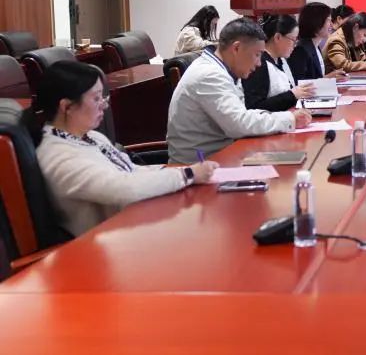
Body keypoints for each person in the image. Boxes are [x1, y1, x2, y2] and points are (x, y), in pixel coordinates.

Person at [22, 61, 218, 236]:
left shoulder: (90, 136)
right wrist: (187, 175)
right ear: (66, 107)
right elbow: (125, 188)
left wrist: (183, 172)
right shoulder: (59, 157)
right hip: (107, 245)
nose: (104, 105)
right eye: (96, 98)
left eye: (103, 97)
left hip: (137, 223)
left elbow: (131, 171)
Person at [167, 17, 313, 163]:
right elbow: (238, 124)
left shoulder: (225, 70)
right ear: (236, 48)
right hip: (199, 166)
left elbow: (243, 114)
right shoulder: (209, 75)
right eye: (257, 55)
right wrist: (289, 118)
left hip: (223, 156)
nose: (259, 63)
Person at [242, 15, 317, 112]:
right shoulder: (260, 65)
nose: (295, 45)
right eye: (293, 40)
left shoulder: (281, 60)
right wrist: (292, 95)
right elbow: (254, 107)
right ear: (277, 37)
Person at [288, 2, 345, 80]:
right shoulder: (301, 50)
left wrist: (329, 78)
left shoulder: (315, 46)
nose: (331, 25)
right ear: (316, 22)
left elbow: (317, 77)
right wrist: (328, 78)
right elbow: (300, 83)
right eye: (328, 20)